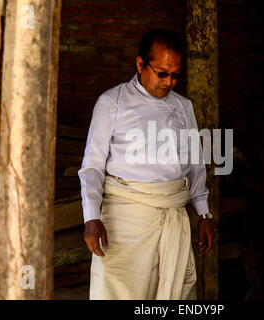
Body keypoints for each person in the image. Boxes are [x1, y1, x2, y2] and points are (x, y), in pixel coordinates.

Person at [78, 28, 214, 300]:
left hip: (173, 216)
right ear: (140, 64)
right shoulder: (111, 102)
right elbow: (92, 166)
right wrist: (91, 216)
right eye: (162, 73)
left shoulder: (183, 107)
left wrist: (204, 214)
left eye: (176, 74)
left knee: (173, 292)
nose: (169, 82)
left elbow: (195, 165)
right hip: (125, 223)